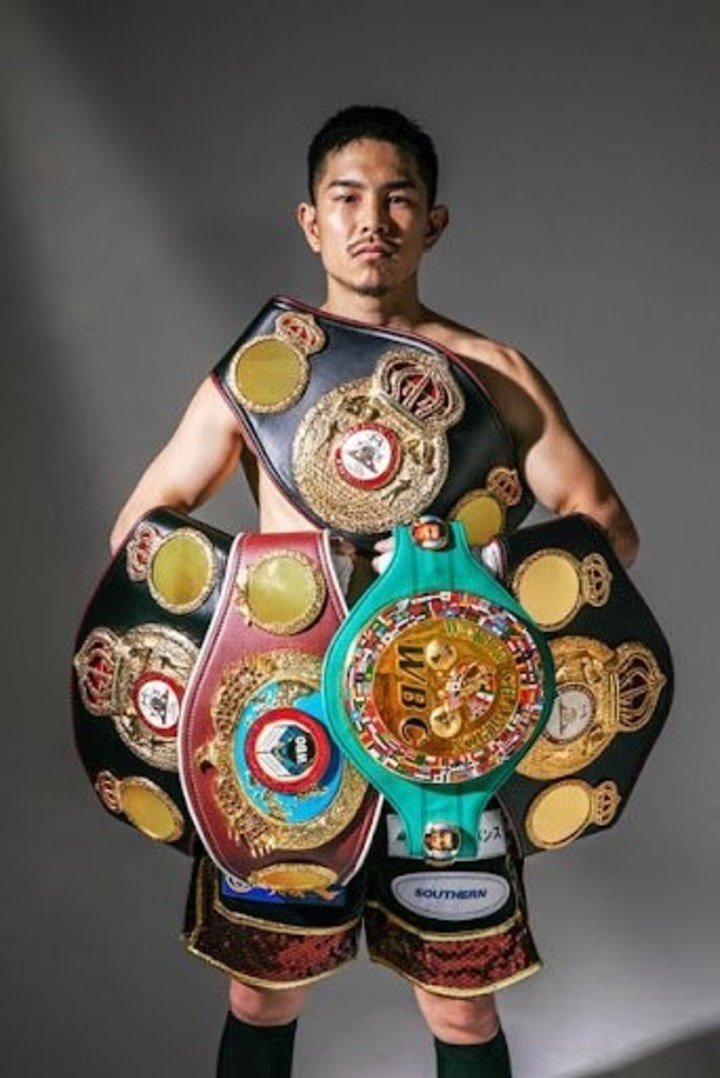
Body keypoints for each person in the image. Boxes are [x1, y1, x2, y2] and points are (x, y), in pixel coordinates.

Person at [110, 105, 639, 1078]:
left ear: (433, 223)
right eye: (346, 197)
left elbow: (607, 524)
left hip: (443, 713)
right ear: (310, 221)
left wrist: (480, 599)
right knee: (261, 985)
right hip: (288, 716)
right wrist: (264, 599)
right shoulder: (258, 369)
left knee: (462, 1006)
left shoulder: (496, 374)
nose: (373, 219)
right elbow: (140, 530)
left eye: (399, 199)